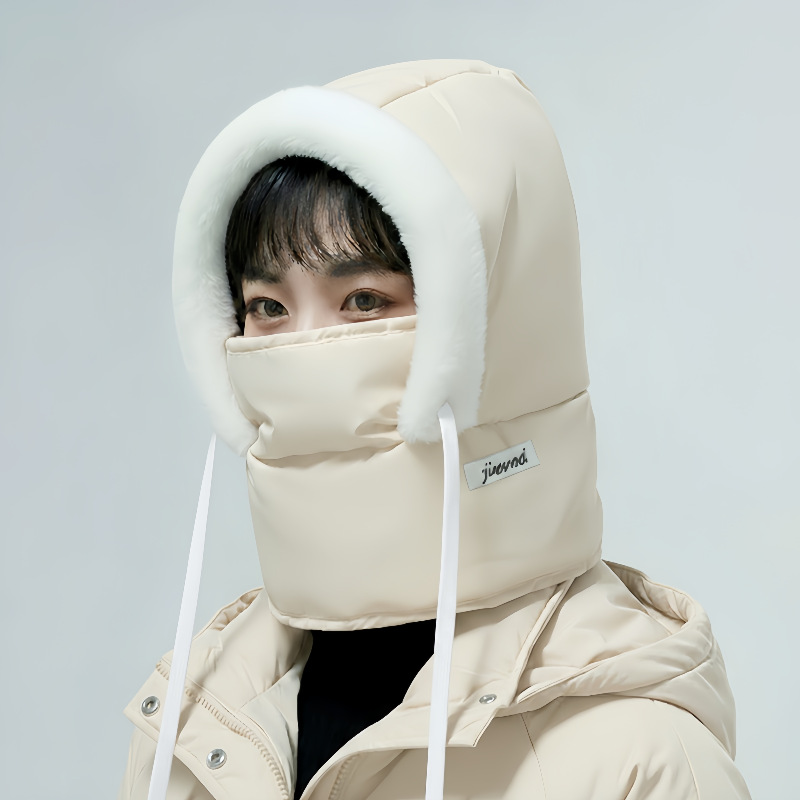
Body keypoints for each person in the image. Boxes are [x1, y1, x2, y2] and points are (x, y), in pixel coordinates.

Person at [118, 60, 752, 800]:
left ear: (491, 324)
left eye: (364, 300)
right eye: (268, 307)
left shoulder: (638, 760)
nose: (301, 349)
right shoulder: (196, 724)